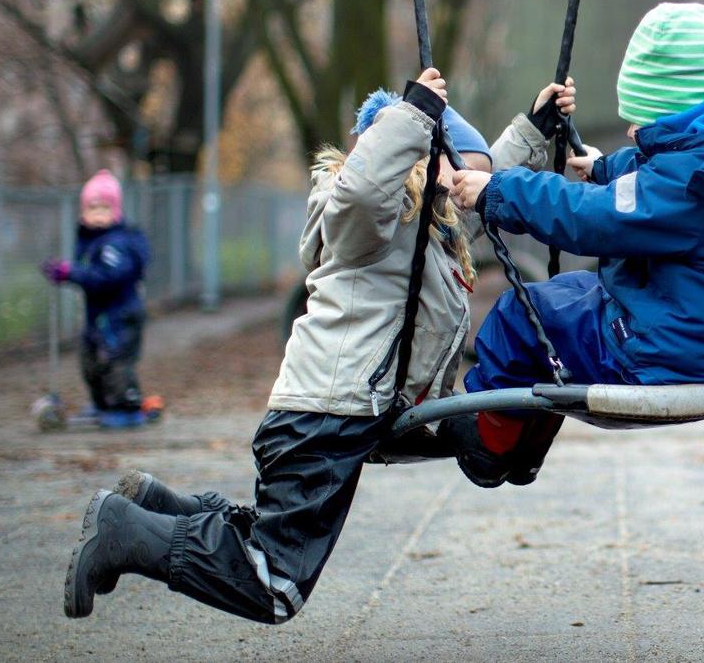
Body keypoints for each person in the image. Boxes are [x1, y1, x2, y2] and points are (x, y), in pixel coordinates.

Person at [62, 68, 577, 621]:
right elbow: (361, 193)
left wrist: (532, 130)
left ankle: (158, 508)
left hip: (362, 412)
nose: (464, 189)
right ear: (415, 162)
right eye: (456, 174)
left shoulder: (429, 225)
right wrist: (409, 118)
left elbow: (480, 176)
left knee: (471, 430)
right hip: (327, 418)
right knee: (274, 583)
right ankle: (125, 531)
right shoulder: (370, 223)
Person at [444, 2, 704, 489]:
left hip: (659, 348)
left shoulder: (692, 182)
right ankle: (521, 449)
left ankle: (488, 444)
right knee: (565, 298)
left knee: (519, 315)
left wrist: (499, 191)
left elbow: (597, 217)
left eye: (644, 122)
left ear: (677, 106)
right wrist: (606, 168)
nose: (633, 131)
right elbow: (664, 185)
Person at [42, 170, 152, 428]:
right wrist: (66, 272)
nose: (99, 214)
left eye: (105, 208)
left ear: (115, 211)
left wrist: (72, 272)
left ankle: (125, 405)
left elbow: (109, 276)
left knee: (115, 361)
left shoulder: (115, 243)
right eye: (93, 208)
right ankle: (102, 403)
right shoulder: (92, 241)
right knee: (91, 362)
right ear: (84, 211)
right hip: (100, 316)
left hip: (120, 315)